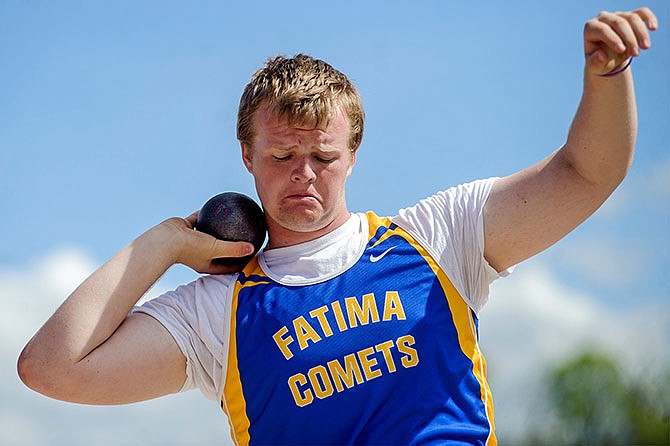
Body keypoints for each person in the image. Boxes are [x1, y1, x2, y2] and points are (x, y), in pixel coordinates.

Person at [18, 7, 657, 445]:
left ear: (352, 155)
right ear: (246, 159)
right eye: (280, 157)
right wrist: (163, 241)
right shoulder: (219, 314)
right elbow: (51, 369)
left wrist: (609, 77)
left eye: (323, 157)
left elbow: (585, 173)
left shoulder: (436, 239)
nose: (304, 174)